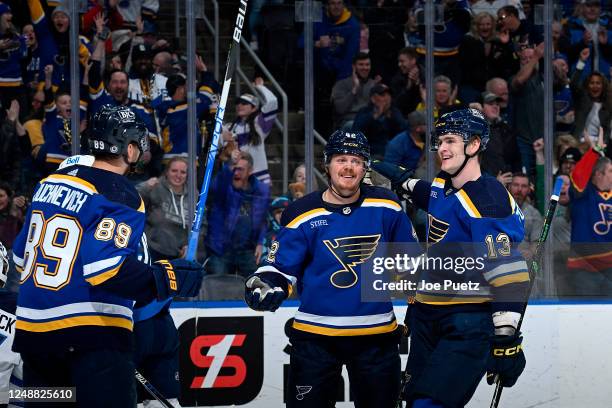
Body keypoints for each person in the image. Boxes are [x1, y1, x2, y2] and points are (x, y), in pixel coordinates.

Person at [10, 105, 204, 408]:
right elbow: (106, 270)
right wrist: (169, 277)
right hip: (91, 340)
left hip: (34, 338)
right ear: (128, 147)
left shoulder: (49, 182)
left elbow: (21, 257)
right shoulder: (120, 193)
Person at [244, 130, 418, 407]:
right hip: (315, 339)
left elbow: (411, 264)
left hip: (376, 338)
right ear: (327, 164)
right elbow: (280, 267)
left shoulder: (387, 205)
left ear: (365, 168)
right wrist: (265, 282)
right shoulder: (302, 213)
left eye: (356, 160)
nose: (348, 167)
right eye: (341, 159)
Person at [378, 108, 529, 407]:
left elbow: (506, 269)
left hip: (466, 321)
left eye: (450, 141)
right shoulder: (443, 183)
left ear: (473, 146)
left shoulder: (487, 198)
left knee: (428, 405)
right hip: (426, 316)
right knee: (412, 401)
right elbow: (433, 197)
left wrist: (505, 335)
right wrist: (405, 183)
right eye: (440, 141)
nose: (442, 149)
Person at [205, 151, 270, 276]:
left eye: (240, 169)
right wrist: (230, 164)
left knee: (257, 284)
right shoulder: (223, 187)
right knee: (219, 289)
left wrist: (260, 242)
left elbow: (263, 219)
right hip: (220, 250)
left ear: (250, 171)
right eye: (234, 169)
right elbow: (216, 185)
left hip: (246, 250)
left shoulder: (260, 191)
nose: (236, 173)